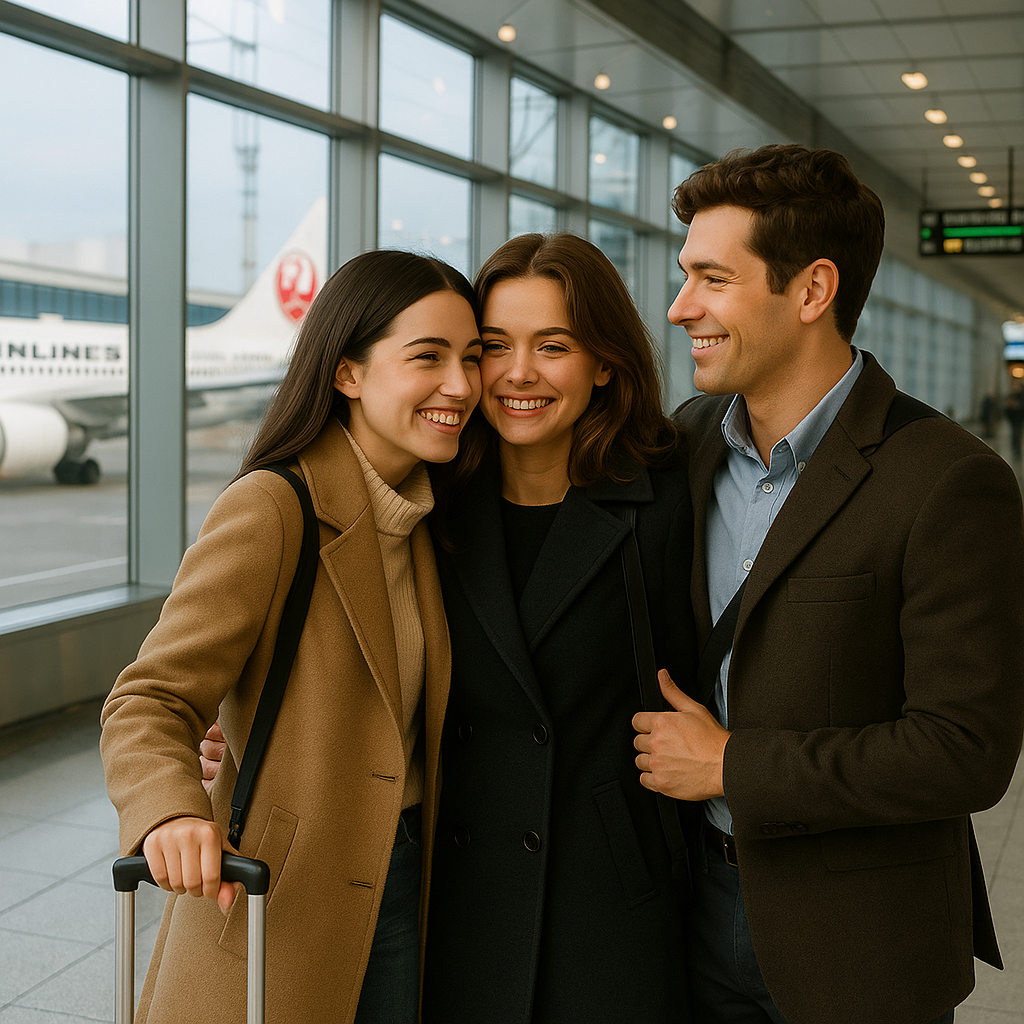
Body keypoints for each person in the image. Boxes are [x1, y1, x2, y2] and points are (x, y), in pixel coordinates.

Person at [632, 144, 1024, 1024]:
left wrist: (731, 763)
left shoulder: (948, 480)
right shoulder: (686, 442)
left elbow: (966, 749)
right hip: (691, 919)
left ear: (812, 291)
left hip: (859, 946)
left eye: (711, 279)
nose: (679, 306)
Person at [100, 249, 483, 1024]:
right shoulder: (276, 507)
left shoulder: (423, 518)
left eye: (472, 357)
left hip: (406, 883)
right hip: (280, 889)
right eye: (428, 358)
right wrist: (171, 811)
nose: (462, 386)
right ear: (347, 373)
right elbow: (148, 698)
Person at [420, 233, 697, 1022]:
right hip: (457, 896)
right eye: (494, 347)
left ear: (605, 362)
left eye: (553, 346)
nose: (517, 374)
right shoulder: (430, 506)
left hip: (604, 903)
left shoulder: (664, 503)